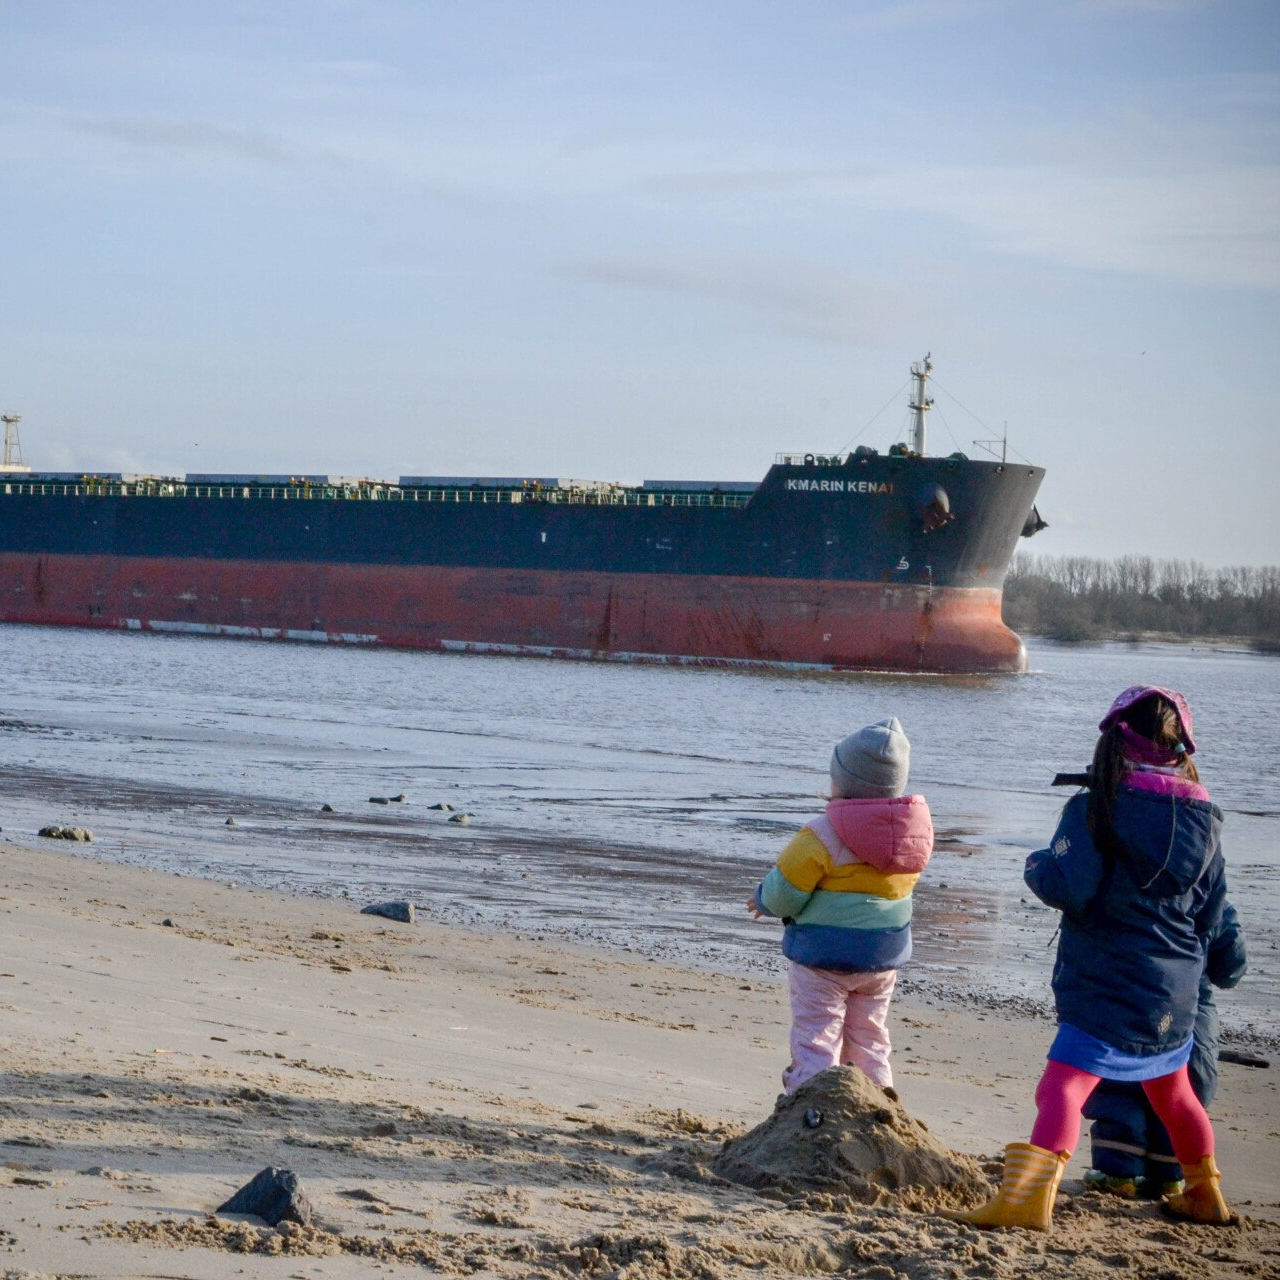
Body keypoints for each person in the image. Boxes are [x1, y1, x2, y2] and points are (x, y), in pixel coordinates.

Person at [953, 685, 1241, 1231]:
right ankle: (1205, 1193)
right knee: (1176, 1095)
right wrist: (1226, 961)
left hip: (1105, 984)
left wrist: (1037, 865)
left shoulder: (1096, 808)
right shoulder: (1206, 826)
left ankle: (1024, 1202)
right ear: (1181, 751)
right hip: (1174, 994)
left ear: (1114, 743)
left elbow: (1069, 886)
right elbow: (1213, 913)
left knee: (1060, 1087)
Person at [748, 718, 933, 1093]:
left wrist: (762, 901)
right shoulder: (917, 833)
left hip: (824, 957)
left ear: (844, 783)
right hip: (882, 955)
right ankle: (879, 1101)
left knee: (817, 1033)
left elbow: (786, 889)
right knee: (869, 1035)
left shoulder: (822, 833)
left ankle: (809, 1105)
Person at [1082, 901, 1245, 1198]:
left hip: (1129, 1003)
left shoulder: (1125, 886)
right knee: (1183, 1093)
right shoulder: (1209, 900)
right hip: (1190, 1011)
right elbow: (1230, 970)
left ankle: (1118, 1171)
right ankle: (1171, 1175)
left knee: (1120, 1085)